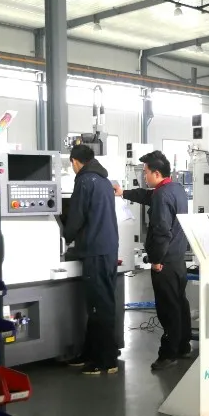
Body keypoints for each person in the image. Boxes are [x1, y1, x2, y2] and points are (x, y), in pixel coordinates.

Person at [113, 150, 190, 372]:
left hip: (164, 262)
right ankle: (183, 345)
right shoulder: (175, 189)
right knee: (179, 303)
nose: (144, 176)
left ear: (156, 173)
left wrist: (156, 260)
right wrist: (124, 193)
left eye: (146, 172)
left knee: (167, 309)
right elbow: (149, 197)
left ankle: (168, 354)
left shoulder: (162, 196)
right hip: (178, 260)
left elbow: (162, 232)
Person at [63, 144, 120, 375]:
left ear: (75, 161)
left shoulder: (85, 181)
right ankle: (91, 352)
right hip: (108, 248)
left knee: (99, 306)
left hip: (95, 250)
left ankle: (106, 360)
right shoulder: (103, 180)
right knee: (101, 303)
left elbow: (76, 216)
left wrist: (64, 237)